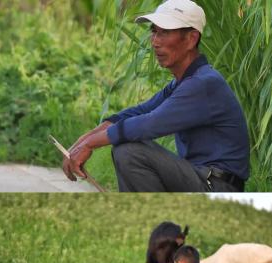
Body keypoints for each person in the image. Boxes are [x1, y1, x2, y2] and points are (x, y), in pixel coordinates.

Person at [61, 0, 249, 192]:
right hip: (198, 178)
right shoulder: (183, 82)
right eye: (154, 31)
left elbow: (148, 124)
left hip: (217, 187)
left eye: (164, 33)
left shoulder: (204, 84)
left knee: (130, 152)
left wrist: (90, 145)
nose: (155, 42)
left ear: (192, 39)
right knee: (127, 148)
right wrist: (82, 142)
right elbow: (136, 113)